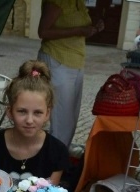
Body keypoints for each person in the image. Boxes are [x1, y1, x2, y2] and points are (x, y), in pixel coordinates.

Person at [0, 60, 68, 187]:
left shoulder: (57, 152)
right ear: (10, 111)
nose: (29, 120)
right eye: (22, 111)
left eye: (37, 113)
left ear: (47, 114)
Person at [37, 0, 104, 148]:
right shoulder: (57, 2)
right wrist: (79, 30)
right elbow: (43, 32)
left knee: (71, 117)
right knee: (62, 118)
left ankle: (61, 154)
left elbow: (78, 29)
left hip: (76, 62)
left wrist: (93, 29)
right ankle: (55, 160)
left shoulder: (78, 2)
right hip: (57, 60)